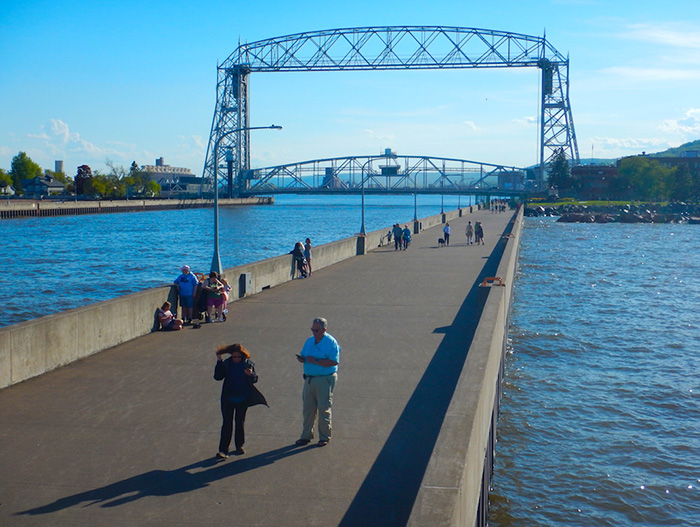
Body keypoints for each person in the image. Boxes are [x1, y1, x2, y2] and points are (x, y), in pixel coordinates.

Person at [214, 343, 268, 458]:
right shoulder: (227, 364)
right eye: (234, 357)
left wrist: (250, 375)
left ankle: (239, 445)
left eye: (238, 357)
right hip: (228, 398)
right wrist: (219, 361)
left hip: (242, 398)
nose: (236, 359)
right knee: (227, 424)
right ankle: (223, 450)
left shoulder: (247, 364)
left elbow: (254, 379)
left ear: (242, 356)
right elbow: (218, 377)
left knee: (239, 422)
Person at [295, 317, 340, 447]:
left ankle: (324, 436)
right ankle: (306, 436)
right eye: (312, 329)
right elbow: (304, 355)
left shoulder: (331, 343)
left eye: (316, 330)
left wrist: (316, 361)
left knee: (323, 408)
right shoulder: (309, 341)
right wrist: (302, 359)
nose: (314, 332)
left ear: (324, 330)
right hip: (309, 378)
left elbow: (334, 361)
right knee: (308, 409)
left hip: (324, 379)